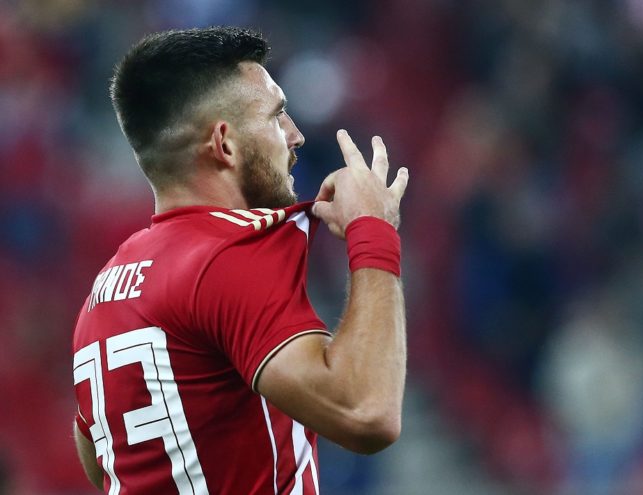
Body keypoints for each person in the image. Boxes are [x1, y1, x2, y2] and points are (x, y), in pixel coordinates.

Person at [71, 26, 409, 494]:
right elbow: (367, 412)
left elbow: (100, 458)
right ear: (224, 144)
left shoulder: (105, 289)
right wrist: (372, 228)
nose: (295, 135)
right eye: (276, 115)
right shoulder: (230, 253)